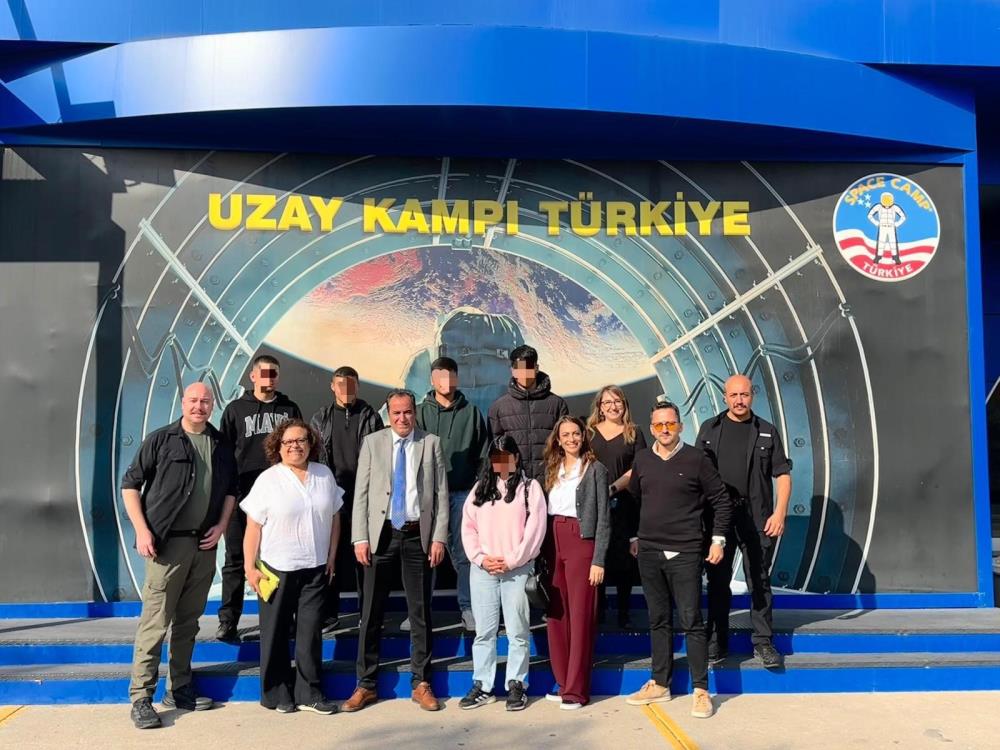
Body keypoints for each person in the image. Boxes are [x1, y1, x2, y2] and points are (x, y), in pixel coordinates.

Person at [121, 382, 237, 730]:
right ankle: (141, 697)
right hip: (166, 547)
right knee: (155, 623)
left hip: (203, 547)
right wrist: (142, 531)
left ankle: (180, 689)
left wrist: (221, 525)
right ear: (183, 402)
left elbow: (231, 491)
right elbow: (130, 485)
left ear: (212, 405)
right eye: (193, 400)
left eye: (205, 401)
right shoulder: (161, 440)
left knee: (188, 622)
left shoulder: (220, 444)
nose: (199, 406)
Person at [342, 390, 449, 713]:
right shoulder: (372, 443)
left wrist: (439, 538)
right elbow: (360, 493)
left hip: (418, 536)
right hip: (380, 537)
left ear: (415, 413)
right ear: (388, 415)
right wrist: (360, 538)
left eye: (408, 412)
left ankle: (421, 682)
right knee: (371, 613)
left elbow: (441, 494)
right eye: (396, 413)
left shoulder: (431, 443)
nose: (402, 418)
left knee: (420, 613)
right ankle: (366, 684)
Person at [624, 401, 731, 719]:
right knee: (658, 620)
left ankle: (701, 690)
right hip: (649, 552)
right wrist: (634, 537)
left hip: (685, 552)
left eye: (670, 423)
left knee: (691, 621)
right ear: (651, 428)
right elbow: (634, 500)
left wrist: (718, 540)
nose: (665, 429)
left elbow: (721, 501)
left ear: (680, 426)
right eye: (658, 425)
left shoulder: (697, 459)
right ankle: (660, 683)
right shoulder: (643, 459)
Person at [241, 419, 343, 715]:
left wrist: (332, 556)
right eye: (288, 441)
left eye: (301, 440)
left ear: (311, 444)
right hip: (277, 568)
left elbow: (335, 517)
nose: (295, 446)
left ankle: (309, 693)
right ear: (278, 446)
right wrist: (250, 567)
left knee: (310, 634)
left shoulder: (324, 474)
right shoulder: (268, 480)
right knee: (274, 632)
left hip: (315, 568)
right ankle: (276, 693)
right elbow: (252, 527)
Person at [698, 374, 792, 669]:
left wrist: (779, 513)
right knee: (717, 580)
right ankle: (717, 641)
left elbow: (782, 474)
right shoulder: (709, 429)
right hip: (719, 518)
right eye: (734, 395)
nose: (739, 400)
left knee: (759, 580)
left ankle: (763, 641)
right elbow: (696, 475)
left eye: (745, 395)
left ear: (753, 396)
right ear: (725, 397)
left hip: (758, 518)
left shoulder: (767, 431)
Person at [217, 354, 302, 643]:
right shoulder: (235, 410)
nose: (268, 378)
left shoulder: (289, 409)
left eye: (273, 373)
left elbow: (299, 450)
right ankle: (228, 621)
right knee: (235, 558)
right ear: (252, 376)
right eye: (263, 373)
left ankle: (284, 620)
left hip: (281, 499)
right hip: (242, 496)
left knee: (279, 558)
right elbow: (224, 455)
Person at [459, 435, 546, 711]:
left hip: (516, 570)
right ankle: (483, 685)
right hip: (484, 570)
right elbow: (468, 528)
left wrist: (512, 560)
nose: (501, 463)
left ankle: (516, 683)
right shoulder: (480, 489)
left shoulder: (530, 489)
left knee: (517, 630)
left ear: (516, 457)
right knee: (484, 631)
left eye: (506, 457)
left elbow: (535, 531)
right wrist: (481, 558)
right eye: (496, 458)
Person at [416, 356, 490, 632]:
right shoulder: (420, 413)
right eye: (440, 376)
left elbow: (483, 455)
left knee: (464, 554)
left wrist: (479, 491)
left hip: (461, 495)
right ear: (432, 380)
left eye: (450, 375)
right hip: (426, 498)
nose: (445, 382)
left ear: (457, 378)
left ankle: (468, 608)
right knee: (424, 554)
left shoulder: (472, 413)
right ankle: (419, 612)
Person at [541, 415, 610, 710]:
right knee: (557, 615)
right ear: (558, 439)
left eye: (576, 433)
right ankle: (562, 682)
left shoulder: (595, 470)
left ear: (584, 436)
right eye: (566, 435)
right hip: (552, 540)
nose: (571, 439)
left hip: (581, 541)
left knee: (580, 617)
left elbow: (604, 518)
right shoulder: (551, 468)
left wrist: (598, 559)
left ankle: (577, 691)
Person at [310, 365, 384, 632]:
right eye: (341, 384)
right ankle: (329, 615)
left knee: (366, 560)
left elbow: (381, 457)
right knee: (331, 556)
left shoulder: (371, 417)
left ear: (358, 386)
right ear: (333, 386)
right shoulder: (320, 418)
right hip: (332, 499)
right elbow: (313, 458)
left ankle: (368, 615)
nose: (346, 390)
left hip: (365, 499)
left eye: (351, 384)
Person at [586, 385, 647, 629]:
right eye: (607, 402)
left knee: (624, 560)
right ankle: (597, 612)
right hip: (594, 504)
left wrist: (612, 488)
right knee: (597, 555)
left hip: (625, 503)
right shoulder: (589, 433)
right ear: (600, 407)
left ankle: (623, 613)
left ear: (624, 405)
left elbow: (638, 468)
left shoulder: (634, 432)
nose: (613, 406)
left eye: (617, 401)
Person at [488, 344, 568, 482]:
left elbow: (565, 446)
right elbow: (495, 449)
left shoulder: (557, 404)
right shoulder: (499, 408)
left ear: (536, 368)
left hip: (550, 482)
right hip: (515, 484)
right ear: (512, 370)